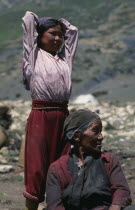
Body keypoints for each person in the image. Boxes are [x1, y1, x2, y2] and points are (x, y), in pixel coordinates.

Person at [22, 11, 78, 210]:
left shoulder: (65, 59)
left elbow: (73, 32)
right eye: (53, 34)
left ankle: (57, 205)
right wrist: (41, 24)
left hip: (63, 115)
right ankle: (32, 205)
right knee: (37, 165)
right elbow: (29, 20)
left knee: (63, 161)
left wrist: (63, 26)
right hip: (41, 115)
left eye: (60, 35)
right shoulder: (34, 56)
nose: (58, 38)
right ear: (39, 36)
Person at [46, 109, 134, 210]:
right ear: (77, 136)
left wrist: (115, 206)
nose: (101, 137)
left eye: (101, 131)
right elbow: (54, 205)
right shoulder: (57, 169)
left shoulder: (109, 160)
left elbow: (121, 190)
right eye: (96, 131)